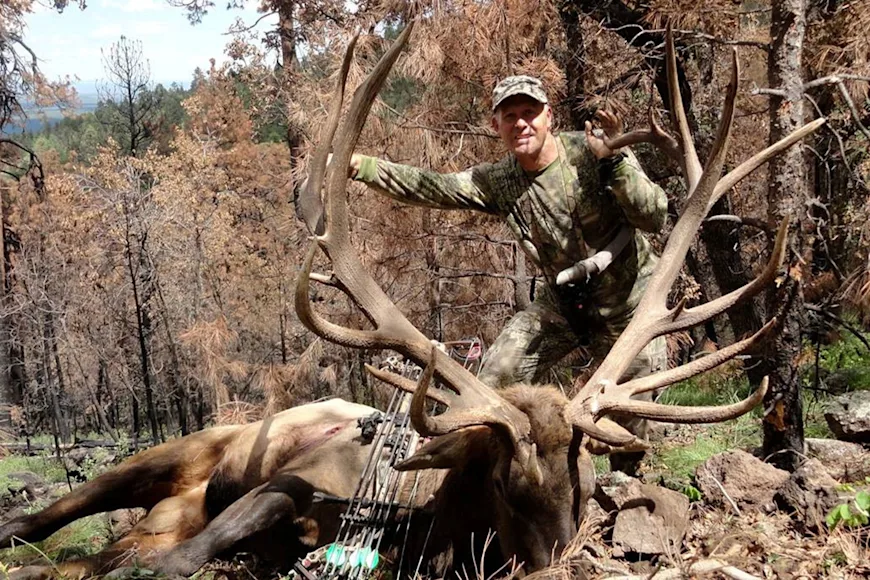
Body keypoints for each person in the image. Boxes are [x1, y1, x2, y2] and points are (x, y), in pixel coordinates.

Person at [348, 75, 668, 473]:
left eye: (530, 113)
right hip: (564, 305)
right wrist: (363, 166)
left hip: (629, 307)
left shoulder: (593, 150)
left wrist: (613, 163)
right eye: (510, 115)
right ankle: (500, 474)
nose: (521, 123)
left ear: (548, 116)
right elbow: (435, 187)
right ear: (495, 126)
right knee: (494, 378)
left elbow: (654, 215)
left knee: (630, 430)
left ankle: (625, 493)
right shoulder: (499, 180)